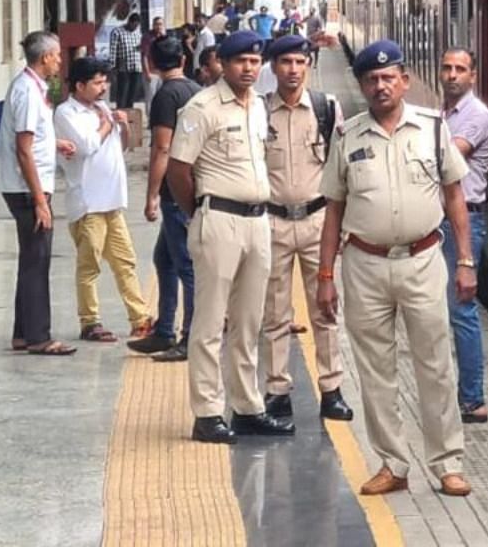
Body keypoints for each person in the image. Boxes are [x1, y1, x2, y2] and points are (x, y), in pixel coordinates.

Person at [316, 39, 475, 498]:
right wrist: (325, 277)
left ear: (404, 81)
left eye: (389, 78)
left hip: (423, 260)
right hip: (364, 264)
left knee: (435, 364)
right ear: (362, 85)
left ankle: (447, 464)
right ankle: (393, 464)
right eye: (372, 79)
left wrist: (465, 261)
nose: (381, 85)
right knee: (375, 370)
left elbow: (454, 197)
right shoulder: (347, 137)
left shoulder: (431, 128)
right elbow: (332, 211)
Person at [167, 30, 293, 443]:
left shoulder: (258, 106)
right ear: (222, 61)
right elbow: (178, 171)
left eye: (255, 62)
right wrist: (199, 213)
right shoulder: (201, 107)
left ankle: (247, 407)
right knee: (209, 322)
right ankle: (207, 413)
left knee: (248, 320)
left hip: (258, 222)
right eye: (241, 61)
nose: (249, 68)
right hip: (218, 218)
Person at [259, 34, 353, 422]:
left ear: (309, 66)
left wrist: (344, 226)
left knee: (326, 309)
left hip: (318, 222)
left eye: (300, 63)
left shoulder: (326, 109)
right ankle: (277, 390)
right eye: (285, 63)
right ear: (274, 67)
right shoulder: (260, 113)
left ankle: (331, 390)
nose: (293, 71)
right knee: (274, 314)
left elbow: (343, 170)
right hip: (273, 222)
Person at [53, 57, 153, 342]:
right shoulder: (66, 113)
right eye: (97, 82)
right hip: (88, 203)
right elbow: (86, 146)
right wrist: (108, 124)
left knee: (126, 261)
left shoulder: (101, 109)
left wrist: (120, 126)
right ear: (80, 85)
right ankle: (90, 320)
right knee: (90, 265)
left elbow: (118, 148)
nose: (103, 88)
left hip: (112, 200)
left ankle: (140, 317)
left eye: (104, 81)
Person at [0, 31, 77, 355]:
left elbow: (31, 138)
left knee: (31, 258)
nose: (59, 60)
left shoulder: (30, 87)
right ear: (45, 58)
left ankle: (22, 333)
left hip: (27, 186)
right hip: (28, 189)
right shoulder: (28, 91)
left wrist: (54, 143)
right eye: (56, 55)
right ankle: (39, 337)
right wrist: (41, 201)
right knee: (37, 261)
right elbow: (23, 150)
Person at [128, 36, 201, 360]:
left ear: (151, 64)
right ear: (184, 60)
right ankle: (164, 330)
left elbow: (162, 148)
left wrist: (152, 195)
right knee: (166, 259)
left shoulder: (165, 97)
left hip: (175, 191)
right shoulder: (197, 91)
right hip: (195, 184)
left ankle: (190, 337)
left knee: (186, 265)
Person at [438, 48, 488, 424]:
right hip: (439, 220)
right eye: (447, 68)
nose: (452, 75)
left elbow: (445, 159)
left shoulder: (477, 117)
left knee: (462, 311)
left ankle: (473, 399)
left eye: (460, 69)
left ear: (473, 76)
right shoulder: (443, 114)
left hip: (464, 223)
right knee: (441, 312)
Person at [109, 13, 143, 109]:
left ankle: (129, 113)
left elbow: (141, 47)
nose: (135, 27)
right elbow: (113, 49)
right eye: (134, 25)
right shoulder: (117, 32)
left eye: (137, 25)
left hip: (136, 66)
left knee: (132, 93)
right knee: (122, 92)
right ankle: (120, 111)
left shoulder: (138, 33)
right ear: (129, 22)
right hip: (123, 67)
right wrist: (113, 66)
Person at [142, 16, 167, 115]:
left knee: (162, 97)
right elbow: (144, 56)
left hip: (162, 72)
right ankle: (150, 119)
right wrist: (147, 72)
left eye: (160, 24)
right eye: (156, 24)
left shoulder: (164, 38)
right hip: (151, 72)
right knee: (150, 97)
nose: (159, 27)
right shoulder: (147, 37)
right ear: (153, 25)